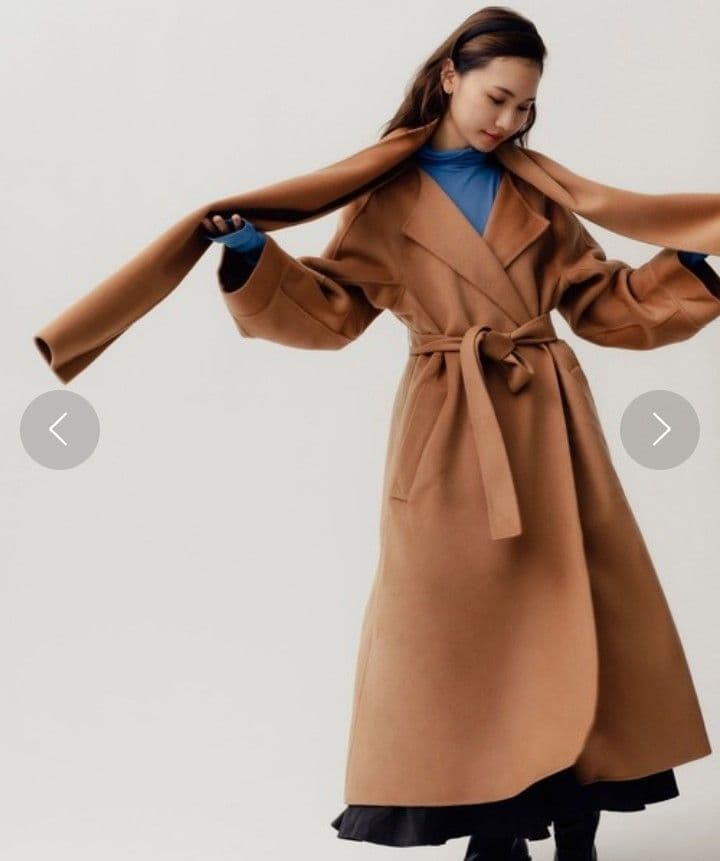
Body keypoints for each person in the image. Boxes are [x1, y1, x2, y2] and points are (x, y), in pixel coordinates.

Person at [201, 9, 714, 861]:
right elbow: (331, 312)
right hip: (446, 429)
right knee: (452, 631)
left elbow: (599, 303)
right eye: (497, 98)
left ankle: (576, 824)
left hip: (550, 426)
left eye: (525, 107)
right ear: (450, 77)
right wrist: (257, 258)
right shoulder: (384, 197)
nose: (508, 120)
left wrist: (683, 264)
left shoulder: (537, 191)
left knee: (576, 611)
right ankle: (493, 826)